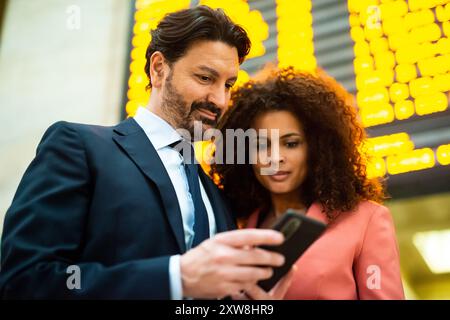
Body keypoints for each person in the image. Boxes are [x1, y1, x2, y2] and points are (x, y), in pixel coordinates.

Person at [0, 6, 294, 300]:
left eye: (228, 85)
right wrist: (175, 278)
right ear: (158, 69)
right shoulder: (78, 146)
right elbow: (24, 280)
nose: (219, 99)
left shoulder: (216, 195)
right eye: (205, 78)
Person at [211, 67, 405, 299]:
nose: (275, 157)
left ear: (317, 148)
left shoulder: (366, 220)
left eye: (291, 144)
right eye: (262, 146)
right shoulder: (237, 227)